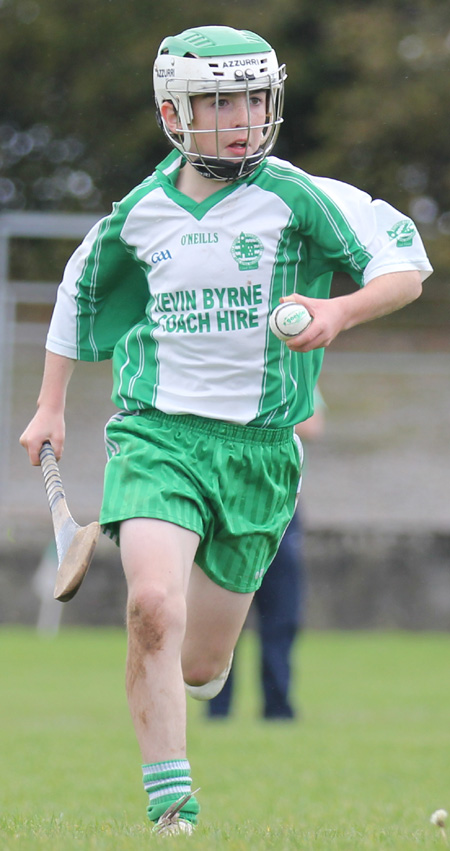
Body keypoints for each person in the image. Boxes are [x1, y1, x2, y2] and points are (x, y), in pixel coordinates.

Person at [20, 25, 432, 837]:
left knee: (202, 662)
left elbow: (406, 264)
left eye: (252, 97)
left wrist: (339, 309)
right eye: (218, 100)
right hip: (157, 437)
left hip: (261, 454)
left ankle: (192, 683)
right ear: (175, 111)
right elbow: (76, 292)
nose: (240, 116)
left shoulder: (298, 195)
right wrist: (51, 404)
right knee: (150, 605)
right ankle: (172, 811)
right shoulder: (139, 214)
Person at [207, 408, 325, 721]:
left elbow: (312, 425)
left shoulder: (296, 364)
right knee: (219, 608)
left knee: (281, 614)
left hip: (279, 502)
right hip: (228, 498)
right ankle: (217, 706)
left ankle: (277, 706)